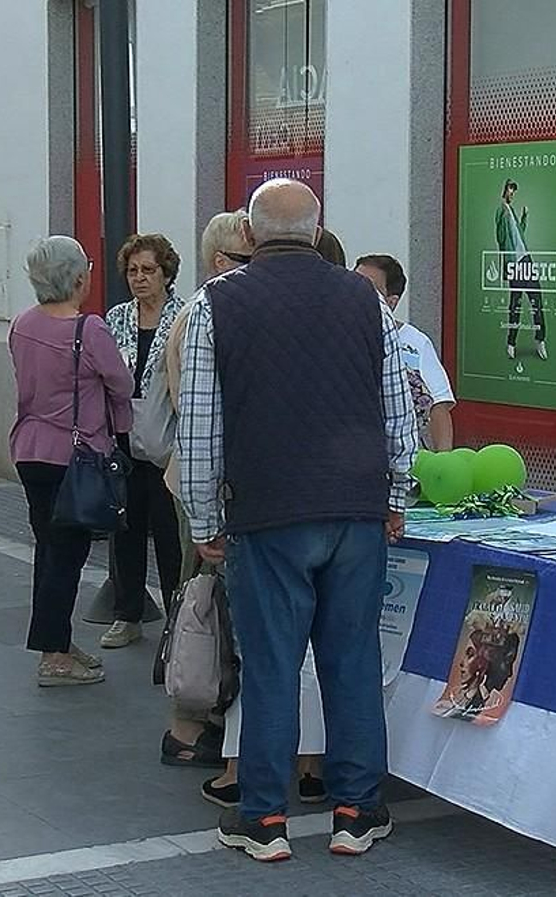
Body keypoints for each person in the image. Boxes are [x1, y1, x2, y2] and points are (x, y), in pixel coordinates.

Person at [179, 178, 416, 861]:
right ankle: (355, 809)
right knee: (352, 660)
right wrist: (396, 494)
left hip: (268, 510)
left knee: (272, 666)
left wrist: (203, 515)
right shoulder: (364, 300)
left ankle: (264, 820)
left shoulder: (216, 304)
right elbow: (397, 410)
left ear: (249, 237)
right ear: (318, 231)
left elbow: (201, 427)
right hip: (355, 510)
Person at [9, 235, 134, 688]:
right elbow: (120, 383)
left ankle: (55, 641)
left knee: (48, 549)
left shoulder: (22, 324)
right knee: (66, 555)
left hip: (30, 450)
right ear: (79, 278)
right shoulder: (90, 330)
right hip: (76, 456)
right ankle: (54, 657)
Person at [159, 211, 252, 769]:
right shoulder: (205, 312)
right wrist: (203, 513)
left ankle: (203, 717)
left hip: (205, 480)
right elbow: (197, 418)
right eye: (248, 259)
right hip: (205, 485)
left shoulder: (207, 309)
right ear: (223, 262)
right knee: (204, 606)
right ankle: (189, 724)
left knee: (208, 603)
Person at [98, 234, 184, 650]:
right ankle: (127, 613)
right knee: (125, 529)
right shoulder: (116, 318)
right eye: (132, 271)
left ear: (167, 273)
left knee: (170, 534)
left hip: (169, 437)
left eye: (148, 270)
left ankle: (176, 617)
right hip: (122, 436)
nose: (139, 278)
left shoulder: (184, 317)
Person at [355, 253, 455, 451]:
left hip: (401, 455)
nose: (355, 292)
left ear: (391, 302)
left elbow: (439, 405)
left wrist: (444, 461)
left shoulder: (415, 341)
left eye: (368, 288)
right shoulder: (337, 334)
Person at [496, 179, 547, 361]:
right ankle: (511, 343)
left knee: (536, 299)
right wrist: (507, 265)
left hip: (525, 259)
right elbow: (501, 239)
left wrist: (524, 217)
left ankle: (540, 339)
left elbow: (519, 235)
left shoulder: (511, 212)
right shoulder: (501, 212)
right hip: (514, 263)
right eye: (511, 190)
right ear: (505, 190)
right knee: (515, 304)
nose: (512, 194)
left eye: (514, 191)